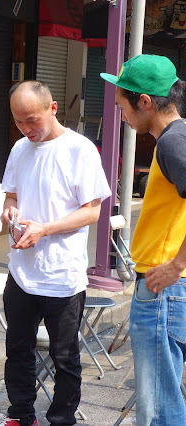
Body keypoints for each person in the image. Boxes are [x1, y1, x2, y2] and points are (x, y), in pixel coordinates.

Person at [0, 81, 111, 426]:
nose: (26, 129)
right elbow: (11, 196)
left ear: (53, 108)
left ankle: (62, 419)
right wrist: (9, 213)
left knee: (65, 356)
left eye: (32, 120)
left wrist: (44, 228)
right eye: (18, 121)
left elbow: (92, 212)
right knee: (17, 349)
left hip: (62, 274)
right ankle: (20, 414)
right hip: (21, 271)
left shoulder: (81, 149)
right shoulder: (19, 149)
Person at [101, 54, 186, 425]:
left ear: (145, 102)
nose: (121, 113)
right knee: (165, 396)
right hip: (168, 286)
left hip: (163, 286)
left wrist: (177, 264)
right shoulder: (177, 138)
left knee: (157, 407)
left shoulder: (173, 142)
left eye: (123, 105)